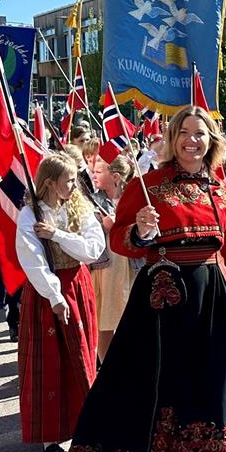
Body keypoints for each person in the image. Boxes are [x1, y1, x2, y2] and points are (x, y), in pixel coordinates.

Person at [63, 106, 226, 452]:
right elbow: (118, 240)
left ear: (212, 141)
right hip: (163, 298)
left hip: (211, 298)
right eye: (184, 132)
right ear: (172, 139)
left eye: (201, 133)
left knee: (212, 384)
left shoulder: (221, 190)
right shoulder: (147, 184)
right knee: (166, 383)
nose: (193, 140)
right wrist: (140, 229)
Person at [13, 153, 105, 452]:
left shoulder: (81, 207)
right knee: (50, 361)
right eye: (68, 179)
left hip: (79, 285)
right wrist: (54, 295)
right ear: (51, 183)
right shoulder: (29, 214)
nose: (74, 184)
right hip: (45, 294)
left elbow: (93, 249)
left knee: (81, 355)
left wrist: (57, 234)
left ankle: (86, 427)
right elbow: (32, 259)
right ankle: (50, 439)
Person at [90, 155, 140, 363]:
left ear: (116, 177)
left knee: (131, 317)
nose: (95, 175)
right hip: (106, 265)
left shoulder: (134, 198)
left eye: (101, 171)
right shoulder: (94, 198)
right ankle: (107, 365)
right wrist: (102, 226)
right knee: (105, 319)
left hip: (130, 264)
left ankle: (129, 363)